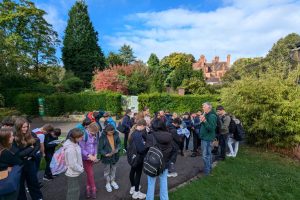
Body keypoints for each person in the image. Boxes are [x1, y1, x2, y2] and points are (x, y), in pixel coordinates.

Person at [11, 117, 43, 200]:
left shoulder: (31, 133)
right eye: (23, 127)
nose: (26, 129)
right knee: (20, 186)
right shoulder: (13, 137)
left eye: (27, 127)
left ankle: (38, 198)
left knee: (33, 182)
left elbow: (37, 144)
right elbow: (18, 154)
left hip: (30, 162)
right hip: (18, 165)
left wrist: (30, 155)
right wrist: (30, 148)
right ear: (18, 127)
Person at [145, 118, 173, 200]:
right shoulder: (169, 135)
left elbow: (147, 149)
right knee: (164, 182)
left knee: (151, 183)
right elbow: (172, 148)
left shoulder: (150, 136)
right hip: (165, 162)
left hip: (153, 163)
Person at [0, 128, 22, 200]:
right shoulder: (5, 152)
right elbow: (19, 162)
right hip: (7, 183)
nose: (13, 137)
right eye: (11, 136)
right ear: (5, 139)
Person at [98, 124, 121, 193]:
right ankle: (107, 183)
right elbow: (100, 149)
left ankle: (112, 181)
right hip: (106, 157)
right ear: (106, 131)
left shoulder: (116, 135)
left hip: (115, 156)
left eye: (113, 132)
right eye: (110, 132)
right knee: (107, 171)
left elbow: (119, 144)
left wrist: (117, 149)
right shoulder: (102, 137)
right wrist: (105, 154)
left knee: (113, 169)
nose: (111, 133)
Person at [79, 122, 100, 199]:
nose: (94, 134)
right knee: (90, 173)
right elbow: (81, 148)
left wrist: (95, 154)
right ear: (88, 129)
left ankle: (88, 188)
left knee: (89, 173)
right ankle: (93, 188)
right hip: (85, 158)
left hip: (92, 158)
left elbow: (95, 144)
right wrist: (89, 155)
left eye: (95, 133)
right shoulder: (84, 135)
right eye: (93, 132)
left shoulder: (95, 134)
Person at [128, 119, 147, 199]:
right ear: (142, 126)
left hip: (133, 156)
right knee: (138, 174)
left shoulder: (133, 132)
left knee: (132, 171)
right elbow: (141, 149)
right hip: (138, 157)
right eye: (145, 126)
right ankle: (136, 192)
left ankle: (133, 187)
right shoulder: (138, 134)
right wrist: (146, 146)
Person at [64, 128, 84, 200]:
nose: (82, 138)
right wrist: (81, 169)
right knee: (73, 191)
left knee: (74, 190)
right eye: (81, 137)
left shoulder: (73, 143)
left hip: (74, 172)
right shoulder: (71, 149)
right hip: (72, 173)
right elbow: (72, 164)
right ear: (75, 138)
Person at [199, 102, 217, 175]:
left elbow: (211, 128)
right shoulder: (206, 114)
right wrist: (202, 121)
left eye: (204, 107)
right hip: (205, 138)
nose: (203, 108)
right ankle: (208, 169)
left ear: (209, 108)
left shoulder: (212, 116)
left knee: (205, 156)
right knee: (208, 155)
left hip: (207, 139)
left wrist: (204, 121)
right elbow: (204, 125)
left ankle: (207, 172)